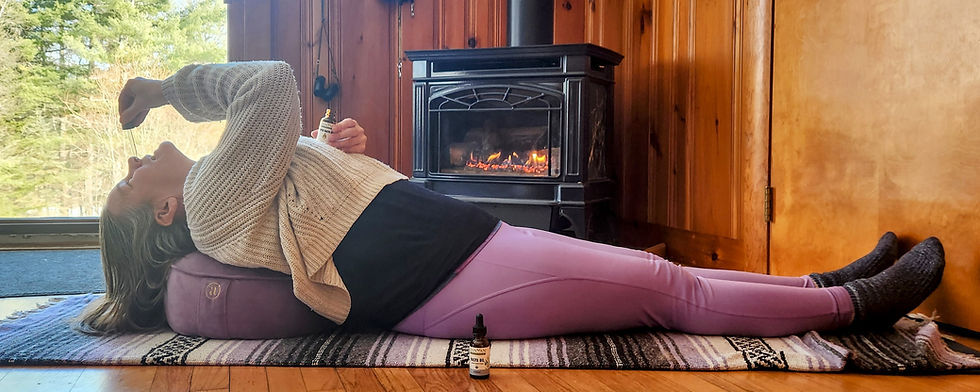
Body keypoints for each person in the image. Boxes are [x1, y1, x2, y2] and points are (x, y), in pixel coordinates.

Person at [81, 61, 946, 339]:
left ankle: (822, 283)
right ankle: (854, 308)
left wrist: (331, 148)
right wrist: (164, 88)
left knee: (662, 278)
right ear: (163, 213)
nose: (133, 159)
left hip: (455, 250)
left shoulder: (223, 191)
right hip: (448, 278)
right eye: (127, 181)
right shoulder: (208, 197)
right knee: (668, 288)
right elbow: (269, 83)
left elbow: (300, 185)